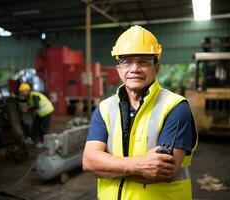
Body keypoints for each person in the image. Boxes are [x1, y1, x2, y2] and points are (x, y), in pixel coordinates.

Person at [82, 25, 198, 200]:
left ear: (156, 68)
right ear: (119, 69)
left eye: (143, 61)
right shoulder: (104, 109)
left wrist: (106, 168)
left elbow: (164, 171)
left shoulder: (176, 107)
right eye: (127, 61)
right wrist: (139, 166)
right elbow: (89, 162)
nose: (134, 68)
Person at [19, 83, 54, 148]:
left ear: (27, 90)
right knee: (35, 126)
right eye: (21, 92)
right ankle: (31, 139)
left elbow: (36, 106)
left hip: (47, 111)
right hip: (41, 113)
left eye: (22, 91)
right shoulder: (29, 96)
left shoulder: (34, 95)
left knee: (44, 128)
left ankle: (43, 143)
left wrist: (27, 108)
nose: (22, 93)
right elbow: (24, 100)